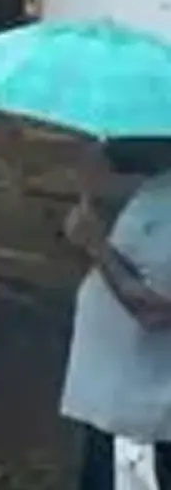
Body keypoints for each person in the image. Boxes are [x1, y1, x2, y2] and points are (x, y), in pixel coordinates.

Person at [62, 141, 171, 490]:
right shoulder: (156, 190)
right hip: (116, 406)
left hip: (142, 417)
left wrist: (95, 243)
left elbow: (155, 311)